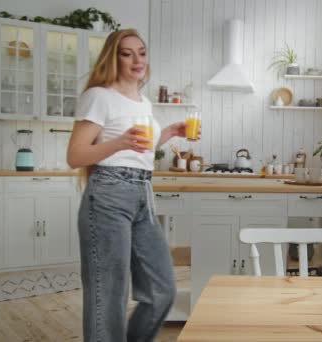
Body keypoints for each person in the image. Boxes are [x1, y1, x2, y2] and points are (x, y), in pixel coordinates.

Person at [67, 28, 195, 341]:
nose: (137, 59)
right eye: (127, 53)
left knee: (162, 290)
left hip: (142, 195)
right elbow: (76, 155)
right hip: (108, 195)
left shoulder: (143, 102)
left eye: (142, 52)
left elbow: (140, 150)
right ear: (114, 58)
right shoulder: (99, 96)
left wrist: (168, 133)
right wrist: (121, 142)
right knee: (108, 297)